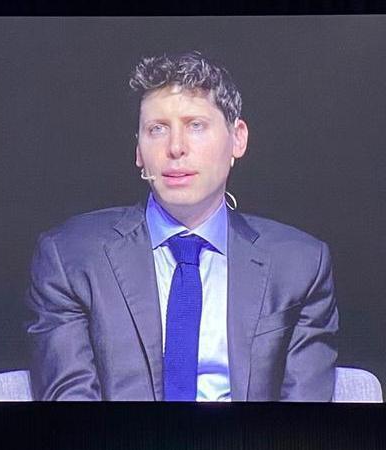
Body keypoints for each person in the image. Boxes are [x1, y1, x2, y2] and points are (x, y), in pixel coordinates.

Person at [26, 50, 338, 402]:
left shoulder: (300, 265)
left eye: (195, 126)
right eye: (156, 129)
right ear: (139, 152)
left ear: (238, 139)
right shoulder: (70, 257)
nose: (175, 147)